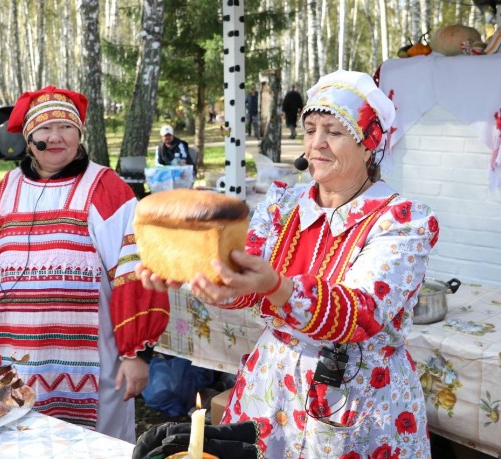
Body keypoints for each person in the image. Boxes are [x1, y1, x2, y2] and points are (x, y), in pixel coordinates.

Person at [136, 70, 439, 458]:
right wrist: (191, 270)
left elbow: (361, 313)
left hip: (359, 397)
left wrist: (277, 287)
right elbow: (247, 281)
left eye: (334, 131)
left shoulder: (402, 220)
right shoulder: (284, 205)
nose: (316, 144)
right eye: (310, 129)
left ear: (369, 144)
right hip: (273, 385)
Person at [0, 86, 170, 442]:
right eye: (44, 128)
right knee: (19, 440)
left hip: (92, 367)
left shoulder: (105, 187)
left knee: (92, 446)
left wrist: (138, 353)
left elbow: (137, 272)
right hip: (12, 359)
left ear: (80, 134)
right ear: (29, 137)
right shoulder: (6, 190)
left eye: (66, 127)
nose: (55, 137)